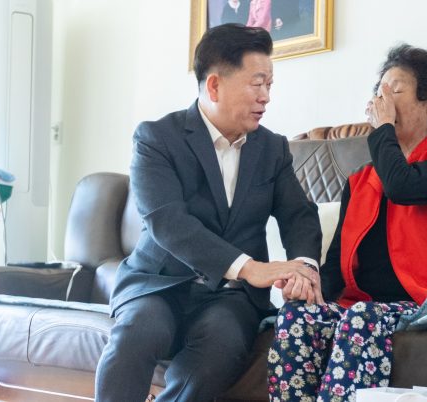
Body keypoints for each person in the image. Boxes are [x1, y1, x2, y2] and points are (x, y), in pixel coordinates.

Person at [95, 23, 323, 402]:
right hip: (159, 282)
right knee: (138, 332)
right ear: (214, 85)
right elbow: (168, 222)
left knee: (222, 344)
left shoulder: (273, 149)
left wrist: (304, 267)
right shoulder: (157, 138)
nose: (266, 97)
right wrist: (251, 268)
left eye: (270, 85)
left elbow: (298, 215)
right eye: (257, 83)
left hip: (230, 298)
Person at [268, 44, 427, 402]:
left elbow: (402, 186)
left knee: (363, 316)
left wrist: (382, 129)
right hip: (363, 305)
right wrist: (309, 287)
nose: (383, 101)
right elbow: (338, 263)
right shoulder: (359, 182)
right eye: (379, 93)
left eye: (394, 91)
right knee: (296, 317)